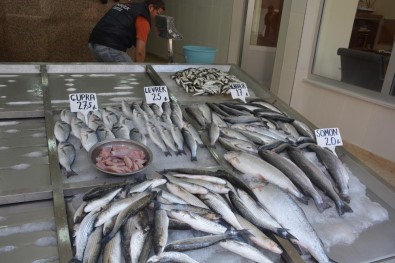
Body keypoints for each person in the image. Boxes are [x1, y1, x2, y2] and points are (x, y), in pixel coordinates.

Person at [88, 0, 165, 62]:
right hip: (110, 47)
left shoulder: (130, 5)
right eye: (157, 13)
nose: (156, 17)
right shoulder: (143, 18)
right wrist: (139, 72)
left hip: (93, 43)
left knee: (110, 77)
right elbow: (140, 52)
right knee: (131, 74)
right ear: (151, 7)